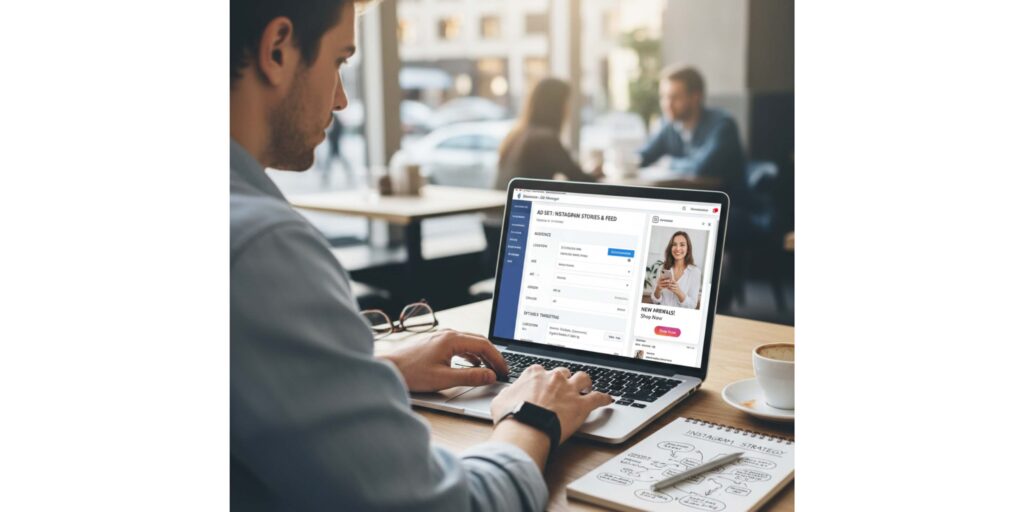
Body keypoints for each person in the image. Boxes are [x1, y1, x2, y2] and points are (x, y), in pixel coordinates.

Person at [229, 1, 613, 510]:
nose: (343, 100)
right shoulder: (261, 249)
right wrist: (532, 417)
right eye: (341, 60)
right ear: (277, 49)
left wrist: (371, 366)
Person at [637, 66, 745, 191]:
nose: (667, 104)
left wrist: (668, 163)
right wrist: (623, 163)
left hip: (728, 205)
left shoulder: (723, 125)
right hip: (691, 203)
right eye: (664, 97)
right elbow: (645, 155)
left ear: (695, 97)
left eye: (674, 97)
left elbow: (701, 168)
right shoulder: (669, 125)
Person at [494, 77, 602, 190]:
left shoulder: (517, 134)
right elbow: (579, 179)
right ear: (557, 106)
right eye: (566, 102)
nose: (568, 108)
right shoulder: (545, 139)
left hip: (503, 204)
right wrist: (596, 175)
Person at [652, 231, 702, 309]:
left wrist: (678, 292)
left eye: (682, 245)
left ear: (688, 249)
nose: (678, 248)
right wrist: (658, 289)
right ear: (670, 248)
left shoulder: (695, 272)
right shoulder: (662, 268)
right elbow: (655, 301)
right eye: (674, 244)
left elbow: (692, 306)